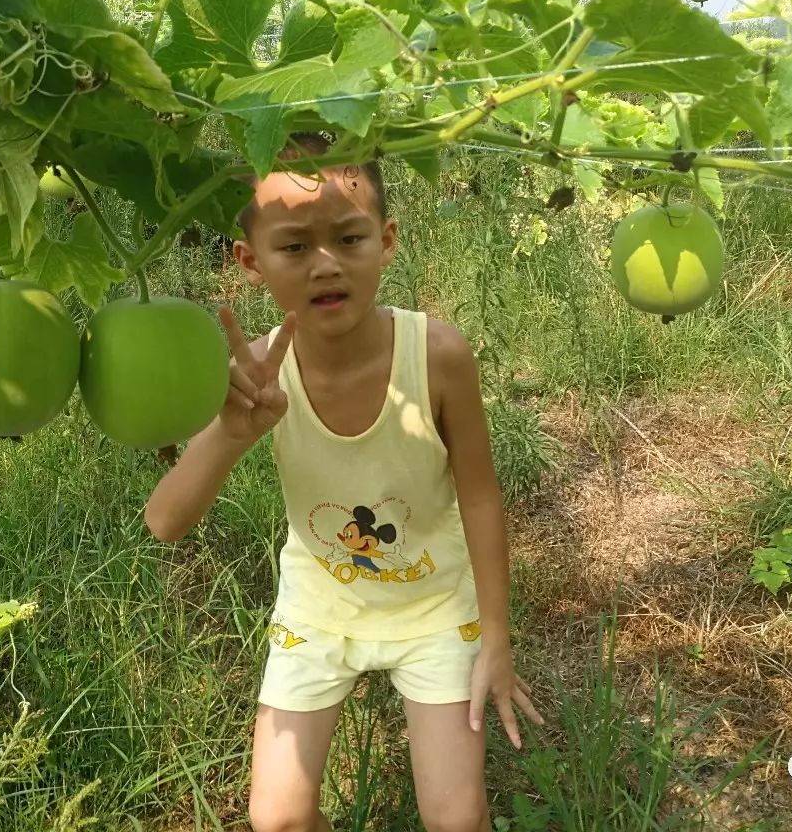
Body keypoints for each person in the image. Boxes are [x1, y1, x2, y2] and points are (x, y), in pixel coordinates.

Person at [144, 132, 544, 832]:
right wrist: (234, 432)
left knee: (456, 818)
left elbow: (480, 494)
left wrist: (498, 640)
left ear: (386, 240)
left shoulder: (439, 355)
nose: (326, 264)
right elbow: (164, 521)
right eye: (295, 246)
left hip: (435, 611)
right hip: (318, 612)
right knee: (278, 819)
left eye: (349, 238)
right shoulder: (259, 373)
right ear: (250, 261)